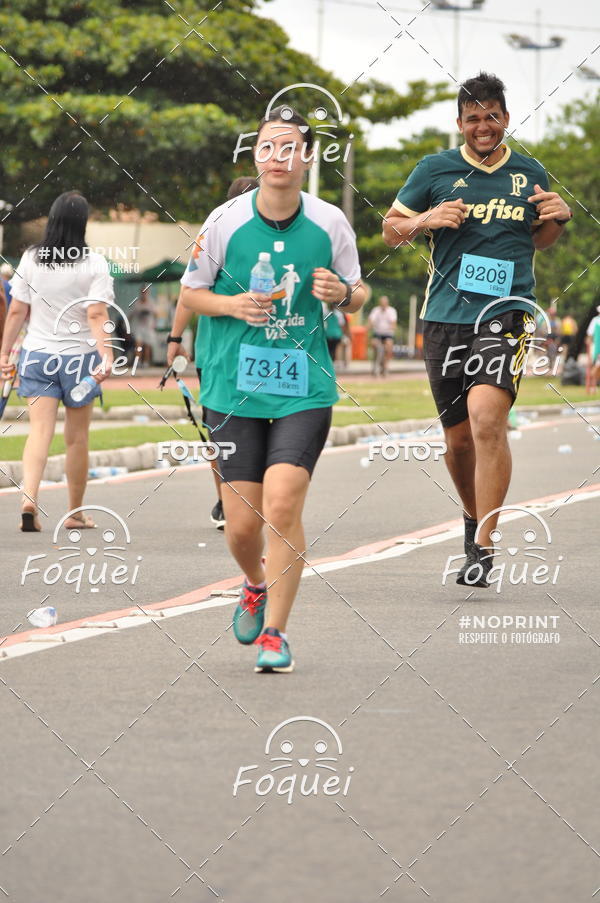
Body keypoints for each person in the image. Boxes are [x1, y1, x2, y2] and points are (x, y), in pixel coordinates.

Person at [180, 106, 366, 672]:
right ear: (255, 155)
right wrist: (232, 304)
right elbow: (191, 294)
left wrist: (339, 293)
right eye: (268, 146)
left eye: (290, 147)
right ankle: (254, 582)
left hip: (302, 386)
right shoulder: (225, 222)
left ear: (307, 158)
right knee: (241, 527)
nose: (279, 156)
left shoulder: (331, 222)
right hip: (232, 386)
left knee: (282, 505)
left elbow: (356, 293)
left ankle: (276, 636)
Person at [382, 71, 572, 587]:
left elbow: (542, 239)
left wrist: (559, 215)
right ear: (460, 123)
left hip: (508, 314)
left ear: (506, 118)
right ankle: (472, 517)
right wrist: (427, 219)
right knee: (459, 441)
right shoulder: (434, 170)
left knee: (488, 420)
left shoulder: (529, 171)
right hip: (444, 317)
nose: (483, 126)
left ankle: (484, 544)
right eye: (473, 118)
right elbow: (390, 231)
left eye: (492, 116)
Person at [0, 191, 114, 531]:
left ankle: (29, 499)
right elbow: (96, 314)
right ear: (83, 223)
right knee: (76, 439)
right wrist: (106, 355)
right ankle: (75, 513)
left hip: (37, 355)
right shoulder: (93, 263)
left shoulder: (32, 259)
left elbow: (18, 309)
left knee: (39, 432)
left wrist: (5, 354)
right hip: (79, 359)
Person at [168, 177, 260, 531]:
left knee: (219, 430)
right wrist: (176, 337)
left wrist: (175, 338)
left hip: (220, 354)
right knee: (229, 428)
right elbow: (189, 290)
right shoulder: (228, 236)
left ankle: (228, 499)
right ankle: (232, 498)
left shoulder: (219, 235)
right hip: (233, 352)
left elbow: (187, 291)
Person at [368, 295, 397, 376]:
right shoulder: (376, 310)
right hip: (377, 333)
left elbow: (393, 323)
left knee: (388, 345)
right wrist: (370, 325)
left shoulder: (391, 311)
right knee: (374, 344)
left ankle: (385, 365)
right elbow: (371, 320)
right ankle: (375, 362)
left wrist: (390, 327)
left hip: (388, 334)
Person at [130, 287, 155, 366]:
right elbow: (131, 315)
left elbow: (156, 314)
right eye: (142, 292)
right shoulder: (137, 303)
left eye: (145, 292)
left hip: (148, 327)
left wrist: (154, 324)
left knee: (147, 345)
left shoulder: (151, 302)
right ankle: (138, 362)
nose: (144, 294)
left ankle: (145, 362)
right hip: (139, 327)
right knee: (138, 344)